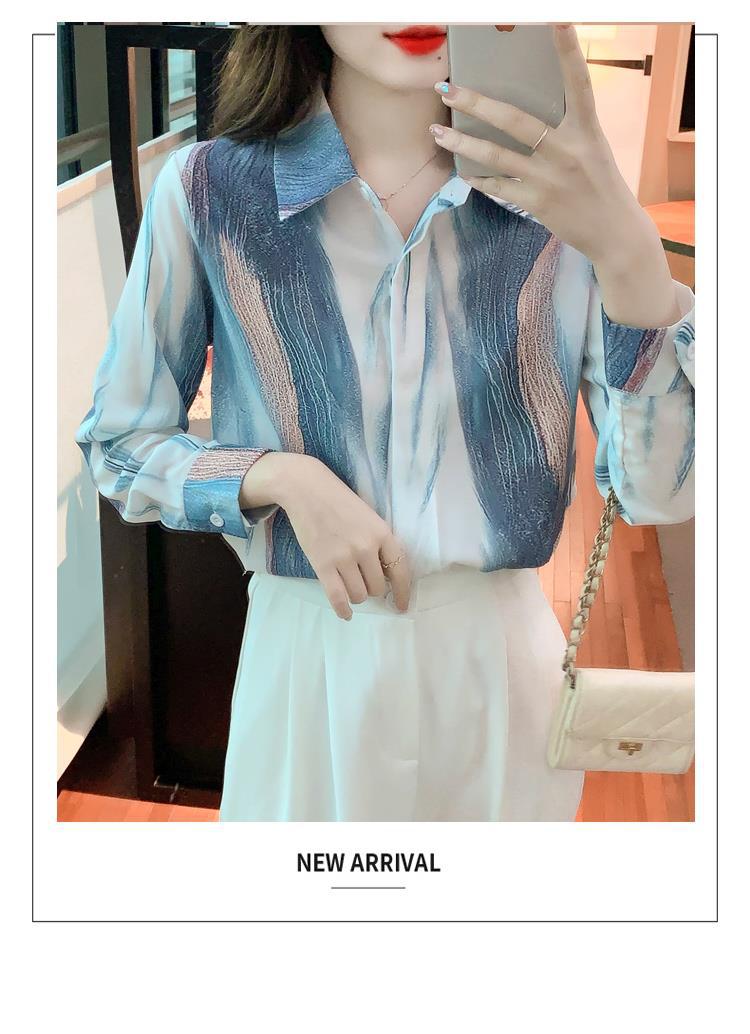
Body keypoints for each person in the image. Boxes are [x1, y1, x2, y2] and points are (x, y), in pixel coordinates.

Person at [75, 24, 695, 821]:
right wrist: (280, 479)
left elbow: (660, 492)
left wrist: (635, 261)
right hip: (306, 660)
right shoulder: (208, 190)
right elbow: (119, 443)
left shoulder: (560, 204)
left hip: (499, 669)